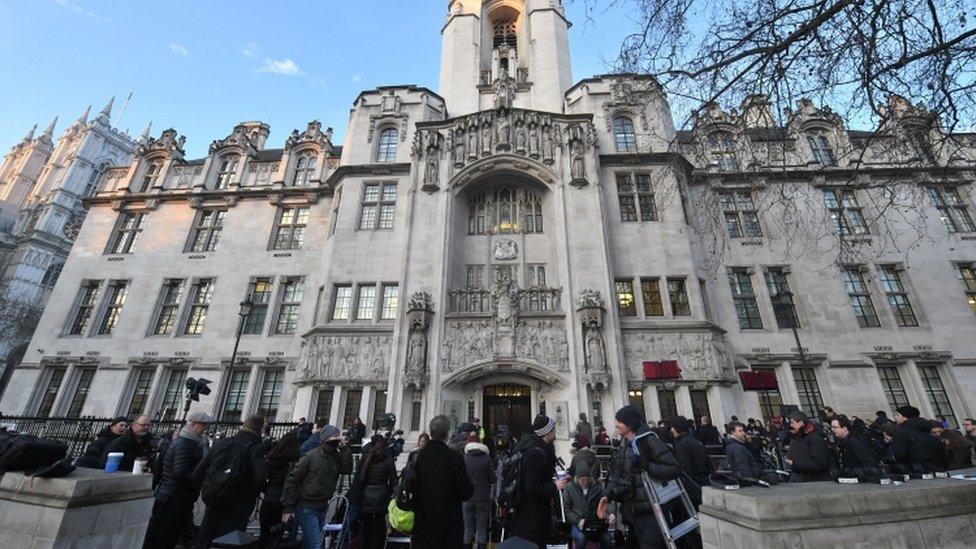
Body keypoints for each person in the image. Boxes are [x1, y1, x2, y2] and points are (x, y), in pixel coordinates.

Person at [601, 405, 680, 549]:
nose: (616, 425)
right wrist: (608, 494)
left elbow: (673, 468)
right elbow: (618, 474)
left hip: (653, 511)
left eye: (619, 421)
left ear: (629, 424)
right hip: (632, 512)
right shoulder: (624, 443)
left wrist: (647, 466)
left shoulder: (648, 440)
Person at [194, 415, 269, 549]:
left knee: (207, 531)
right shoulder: (257, 447)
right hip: (238, 501)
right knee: (231, 537)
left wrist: (210, 486)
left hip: (215, 495)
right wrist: (250, 492)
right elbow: (260, 478)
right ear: (260, 428)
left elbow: (200, 469)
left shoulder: (222, 442)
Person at [143, 411, 213, 549]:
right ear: (193, 424)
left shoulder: (194, 442)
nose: (206, 427)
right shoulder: (183, 443)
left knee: (170, 533)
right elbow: (179, 472)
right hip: (173, 496)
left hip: (178, 495)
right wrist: (195, 484)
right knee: (163, 534)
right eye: (203, 424)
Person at [280, 424, 352, 549]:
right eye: (335, 436)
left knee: (311, 542)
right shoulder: (310, 457)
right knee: (315, 543)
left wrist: (345, 449)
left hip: (322, 504)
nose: (337, 439)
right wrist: (288, 508)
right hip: (306, 506)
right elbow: (292, 480)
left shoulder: (336, 457)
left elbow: (347, 469)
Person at [412, 415, 475, 549]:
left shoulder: (418, 457)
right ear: (447, 433)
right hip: (448, 526)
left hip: (424, 524)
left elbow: (412, 486)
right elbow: (466, 491)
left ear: (431, 432)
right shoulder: (454, 458)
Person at [509, 414, 568, 546]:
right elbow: (531, 486)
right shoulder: (536, 453)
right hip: (532, 515)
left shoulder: (539, 449)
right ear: (548, 432)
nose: (555, 432)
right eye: (553, 429)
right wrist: (554, 486)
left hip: (535, 513)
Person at [259, 430, 302, 546]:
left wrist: (267, 490)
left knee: (264, 535)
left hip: (268, 501)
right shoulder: (293, 462)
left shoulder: (271, 459)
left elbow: (261, 478)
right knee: (276, 538)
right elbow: (292, 484)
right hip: (281, 503)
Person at [356, 435, 397, 549]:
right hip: (381, 496)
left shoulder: (367, 458)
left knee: (366, 526)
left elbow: (362, 478)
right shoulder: (388, 461)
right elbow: (393, 480)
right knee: (379, 526)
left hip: (367, 495)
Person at [887, 405, 946, 473]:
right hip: (936, 470)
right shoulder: (927, 430)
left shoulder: (902, 432)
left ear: (905, 417)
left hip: (914, 471)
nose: (895, 418)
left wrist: (890, 459)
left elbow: (900, 455)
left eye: (897, 415)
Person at [564, 468, 613, 549]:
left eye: (587, 479)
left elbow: (603, 504)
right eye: (582, 480)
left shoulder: (597, 487)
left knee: (607, 541)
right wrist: (578, 520)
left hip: (594, 523)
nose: (585, 482)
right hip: (577, 522)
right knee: (580, 538)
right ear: (577, 478)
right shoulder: (569, 488)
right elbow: (567, 510)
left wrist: (609, 515)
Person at [462, 437, 495, 549]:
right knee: (482, 529)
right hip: (483, 497)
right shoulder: (487, 459)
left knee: (467, 529)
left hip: (467, 497)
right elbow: (493, 478)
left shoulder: (464, 458)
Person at [784, 410, 832, 482]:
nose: (791, 425)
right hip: (808, 478)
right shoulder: (803, 436)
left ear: (801, 423)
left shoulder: (815, 438)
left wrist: (794, 464)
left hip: (818, 481)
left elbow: (818, 463)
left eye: (792, 423)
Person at [670, 416, 711, 487]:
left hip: (695, 483)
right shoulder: (693, 440)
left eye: (673, 427)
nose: (671, 430)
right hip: (704, 480)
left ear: (678, 428)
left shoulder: (682, 444)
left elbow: (686, 469)